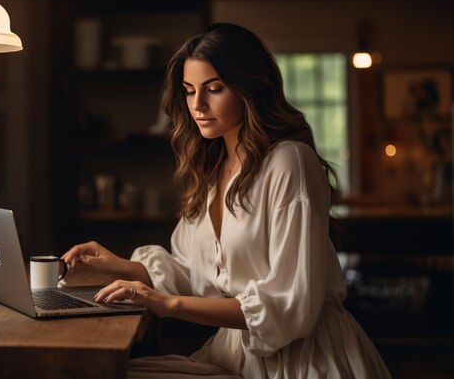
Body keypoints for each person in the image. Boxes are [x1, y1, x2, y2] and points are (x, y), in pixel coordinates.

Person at [62, 23, 391, 379]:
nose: (198, 105)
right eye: (189, 92)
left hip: (304, 359)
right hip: (235, 356)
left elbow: (290, 306)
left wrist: (167, 305)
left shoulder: (289, 161)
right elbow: (192, 275)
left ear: (250, 87)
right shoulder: (211, 170)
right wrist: (121, 267)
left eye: (214, 89)